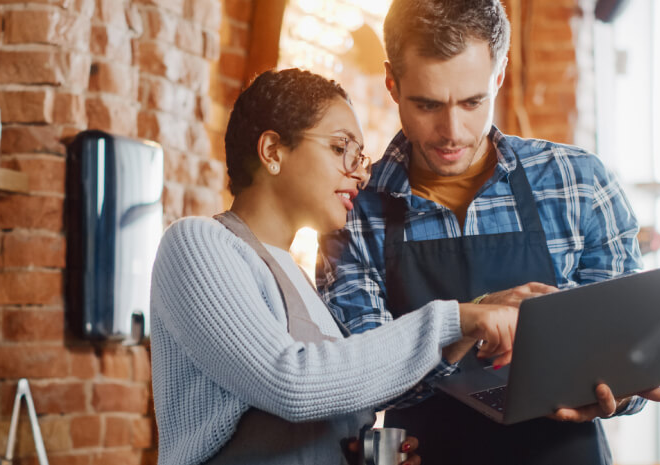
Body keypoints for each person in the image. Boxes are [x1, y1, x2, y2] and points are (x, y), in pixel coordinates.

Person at [317, 0, 660, 463]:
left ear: (498, 76)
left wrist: (620, 392)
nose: (452, 131)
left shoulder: (578, 183)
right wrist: (469, 320)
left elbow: (628, 355)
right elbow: (357, 383)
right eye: (427, 104)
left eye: (472, 101)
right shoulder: (354, 213)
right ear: (393, 84)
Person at [149, 68, 521, 465]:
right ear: (273, 151)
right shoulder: (197, 242)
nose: (360, 173)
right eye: (340, 147)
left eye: (360, 157)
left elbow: (311, 413)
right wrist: (454, 319)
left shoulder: (301, 283)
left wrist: (360, 457)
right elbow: (291, 383)